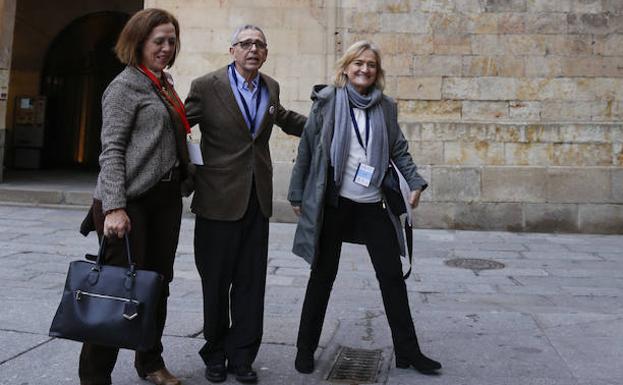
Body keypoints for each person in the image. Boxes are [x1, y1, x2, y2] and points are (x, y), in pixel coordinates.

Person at [288, 40, 442, 376]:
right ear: (345, 68)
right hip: (334, 204)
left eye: (371, 64)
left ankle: (408, 351)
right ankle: (304, 348)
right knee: (322, 277)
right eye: (358, 63)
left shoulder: (385, 107)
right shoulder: (327, 102)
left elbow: (399, 149)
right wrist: (297, 194)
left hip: (373, 204)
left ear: (377, 71)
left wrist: (415, 182)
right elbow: (308, 150)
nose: (364, 69)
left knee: (391, 277)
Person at [184, 25, 306, 384]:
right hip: (217, 200)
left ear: (265, 53)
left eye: (260, 44)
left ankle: (243, 356)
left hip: (256, 199)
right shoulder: (206, 86)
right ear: (232, 50)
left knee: (251, 284)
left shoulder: (271, 86)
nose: (253, 48)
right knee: (216, 282)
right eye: (246, 43)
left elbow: (281, 117)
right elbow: (177, 124)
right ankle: (215, 352)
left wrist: (325, 123)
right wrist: (187, 173)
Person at [78, 8, 192, 385]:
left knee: (157, 285)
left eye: (171, 41)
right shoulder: (125, 86)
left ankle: (150, 362)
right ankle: (95, 377)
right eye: (157, 40)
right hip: (129, 202)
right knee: (114, 291)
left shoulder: (163, 84)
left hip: (165, 200)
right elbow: (110, 150)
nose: (165, 47)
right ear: (138, 42)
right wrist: (114, 207)